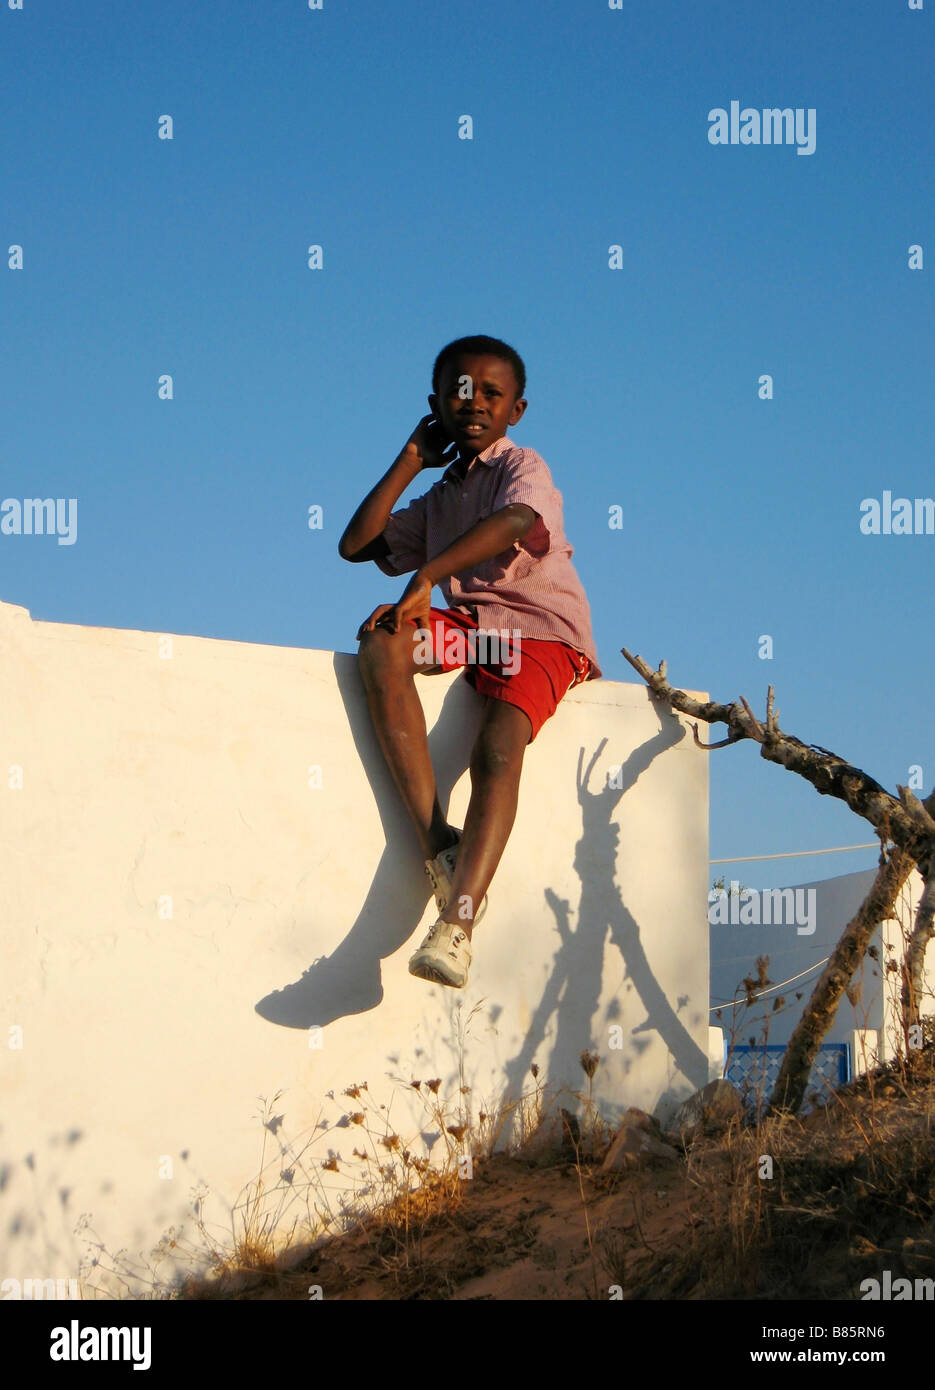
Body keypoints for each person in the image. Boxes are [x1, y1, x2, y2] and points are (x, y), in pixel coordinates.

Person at [338, 335, 601, 989]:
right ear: (436, 405)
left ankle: (456, 925)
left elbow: (515, 522)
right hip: (476, 632)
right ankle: (437, 847)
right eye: (460, 390)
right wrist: (407, 462)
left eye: (491, 392)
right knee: (385, 644)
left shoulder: (522, 467)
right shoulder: (443, 493)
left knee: (497, 751)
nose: (474, 401)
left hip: (539, 634)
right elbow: (357, 544)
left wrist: (426, 575)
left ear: (517, 409)